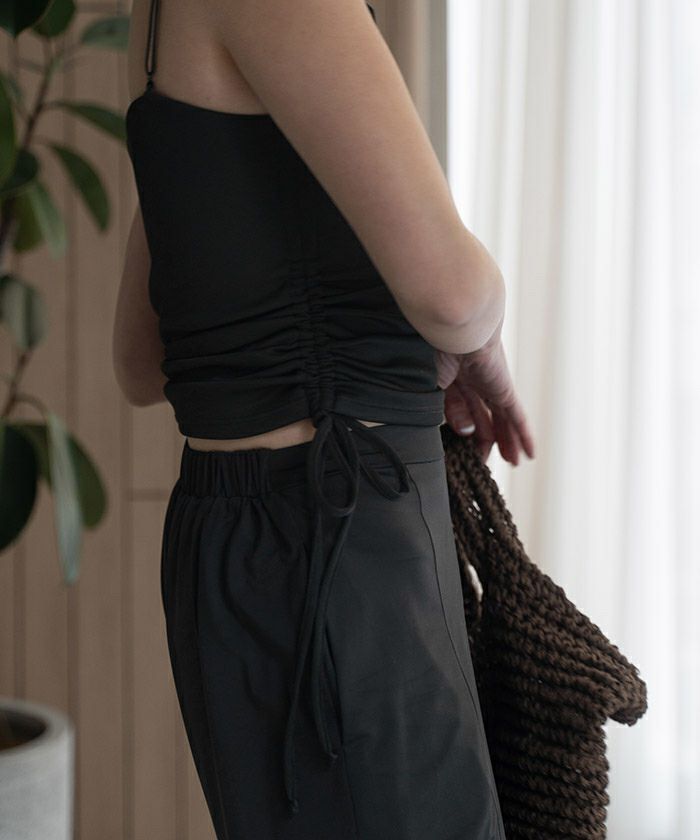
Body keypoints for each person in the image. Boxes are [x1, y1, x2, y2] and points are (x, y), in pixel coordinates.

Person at [112, 0, 535, 837]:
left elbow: (140, 360)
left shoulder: (157, 15)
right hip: (341, 539)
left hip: (230, 542)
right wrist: (480, 344)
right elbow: (454, 296)